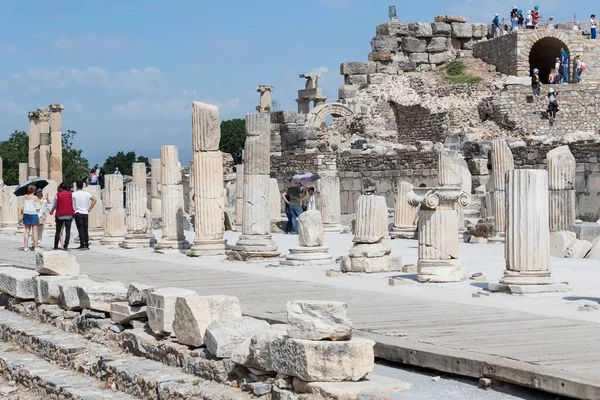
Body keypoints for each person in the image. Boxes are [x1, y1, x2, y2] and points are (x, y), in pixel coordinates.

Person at [49, 182, 74, 250]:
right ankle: (65, 246)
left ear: (61, 187)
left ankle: (56, 246)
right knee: (68, 231)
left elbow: (55, 204)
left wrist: (51, 211)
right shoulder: (70, 194)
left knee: (58, 231)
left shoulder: (58, 194)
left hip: (60, 215)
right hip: (69, 214)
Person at [72, 180, 97, 250]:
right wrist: (89, 209)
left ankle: (82, 244)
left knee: (80, 229)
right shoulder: (87, 194)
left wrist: (73, 209)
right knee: (85, 229)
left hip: (78, 213)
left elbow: (70, 201)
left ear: (76, 186)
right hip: (85, 213)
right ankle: (86, 244)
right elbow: (94, 200)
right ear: (82, 186)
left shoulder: (74, 194)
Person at [21, 185, 40, 251]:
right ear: (34, 190)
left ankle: (25, 247)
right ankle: (36, 247)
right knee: (35, 232)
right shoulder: (35, 197)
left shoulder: (25, 197)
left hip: (26, 214)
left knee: (26, 231)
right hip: (33, 214)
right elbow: (38, 208)